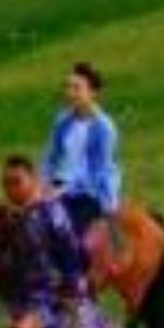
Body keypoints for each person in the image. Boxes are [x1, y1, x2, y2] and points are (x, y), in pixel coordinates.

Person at [0, 154, 118, 328]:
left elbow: (70, 250)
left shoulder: (50, 212)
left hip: (54, 293)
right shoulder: (10, 216)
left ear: (33, 179)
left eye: (16, 182)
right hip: (24, 293)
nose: (11, 189)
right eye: (5, 184)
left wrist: (71, 286)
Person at [40, 60, 121, 239]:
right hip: (58, 188)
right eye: (67, 87)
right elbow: (50, 155)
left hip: (88, 193)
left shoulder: (103, 127)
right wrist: (43, 182)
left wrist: (64, 188)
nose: (69, 93)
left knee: (67, 235)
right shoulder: (62, 121)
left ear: (92, 93)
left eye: (77, 88)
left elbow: (100, 171)